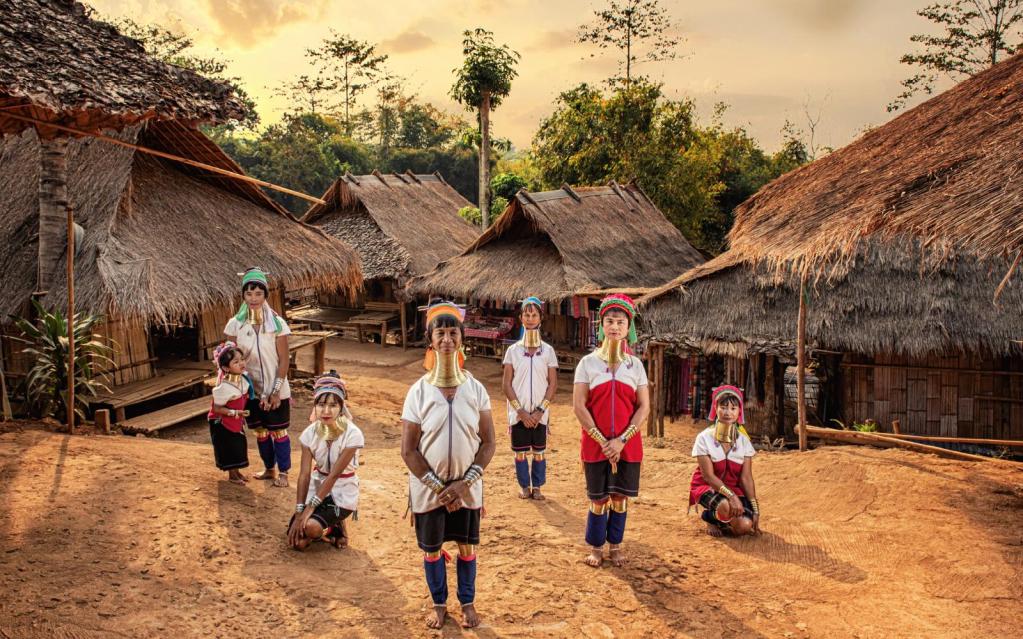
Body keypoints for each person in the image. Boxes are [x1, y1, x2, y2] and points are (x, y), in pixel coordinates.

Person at [399, 301, 496, 630]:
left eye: (452, 332)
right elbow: (408, 450)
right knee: (432, 550)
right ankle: (439, 603)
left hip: (467, 489)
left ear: (461, 339)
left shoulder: (476, 390)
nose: (446, 339)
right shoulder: (418, 392)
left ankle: (467, 601)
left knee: (467, 546)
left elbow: (489, 442)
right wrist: (441, 488)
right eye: (440, 332)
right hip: (430, 491)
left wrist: (464, 484)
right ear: (431, 339)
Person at [573, 294, 650, 568]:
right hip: (595, 445)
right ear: (601, 325)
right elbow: (579, 406)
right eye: (609, 321)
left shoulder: (636, 366)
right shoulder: (588, 363)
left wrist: (621, 440)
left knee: (619, 499)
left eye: (620, 321)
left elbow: (644, 407)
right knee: (598, 499)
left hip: (627, 445)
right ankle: (596, 547)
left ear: (628, 326)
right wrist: (603, 441)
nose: (614, 326)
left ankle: (615, 546)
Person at [223, 267, 293, 488]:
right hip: (248, 390)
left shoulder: (277, 324)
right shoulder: (235, 325)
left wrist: (274, 391)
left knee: (279, 431)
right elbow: (229, 360)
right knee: (261, 433)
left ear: (265, 295)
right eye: (249, 293)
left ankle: (284, 473)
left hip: (276, 389)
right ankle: (269, 469)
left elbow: (283, 360)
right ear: (243, 295)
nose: (253, 299)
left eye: (258, 294)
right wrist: (243, 390)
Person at [288, 373, 364, 550]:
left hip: (342, 492)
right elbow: (305, 475)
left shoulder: (353, 434)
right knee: (297, 543)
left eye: (333, 405)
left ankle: (334, 526)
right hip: (317, 487)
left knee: (311, 528)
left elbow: (334, 475)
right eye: (321, 405)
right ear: (315, 406)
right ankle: (329, 525)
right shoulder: (309, 434)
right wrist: (300, 511)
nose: (326, 411)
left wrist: (309, 510)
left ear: (341, 407)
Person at [502, 296, 558, 500]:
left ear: (540, 319)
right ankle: (524, 486)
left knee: (539, 452)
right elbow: (506, 384)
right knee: (520, 452)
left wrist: (539, 411)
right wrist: (521, 412)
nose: (531, 318)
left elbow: (552, 384)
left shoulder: (548, 352)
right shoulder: (513, 351)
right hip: (519, 414)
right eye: (527, 314)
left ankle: (538, 488)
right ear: (521, 318)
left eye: (534, 314)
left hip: (540, 415)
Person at [689, 385, 761, 537]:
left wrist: (755, 508)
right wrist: (732, 497)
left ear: (739, 412)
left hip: (734, 489)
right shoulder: (704, 438)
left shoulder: (744, 441)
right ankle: (710, 518)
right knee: (724, 506)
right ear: (715, 408)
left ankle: (722, 517)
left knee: (744, 526)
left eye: (733, 408)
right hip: (707, 487)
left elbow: (746, 477)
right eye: (723, 407)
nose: (728, 412)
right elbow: (708, 476)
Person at [207, 341, 253, 484]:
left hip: (235, 420)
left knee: (238, 445)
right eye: (236, 362)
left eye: (242, 359)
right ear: (226, 368)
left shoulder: (244, 381)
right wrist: (235, 413)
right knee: (228, 446)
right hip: (221, 422)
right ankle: (232, 475)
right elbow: (217, 409)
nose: (241, 363)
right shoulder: (223, 388)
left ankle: (237, 472)